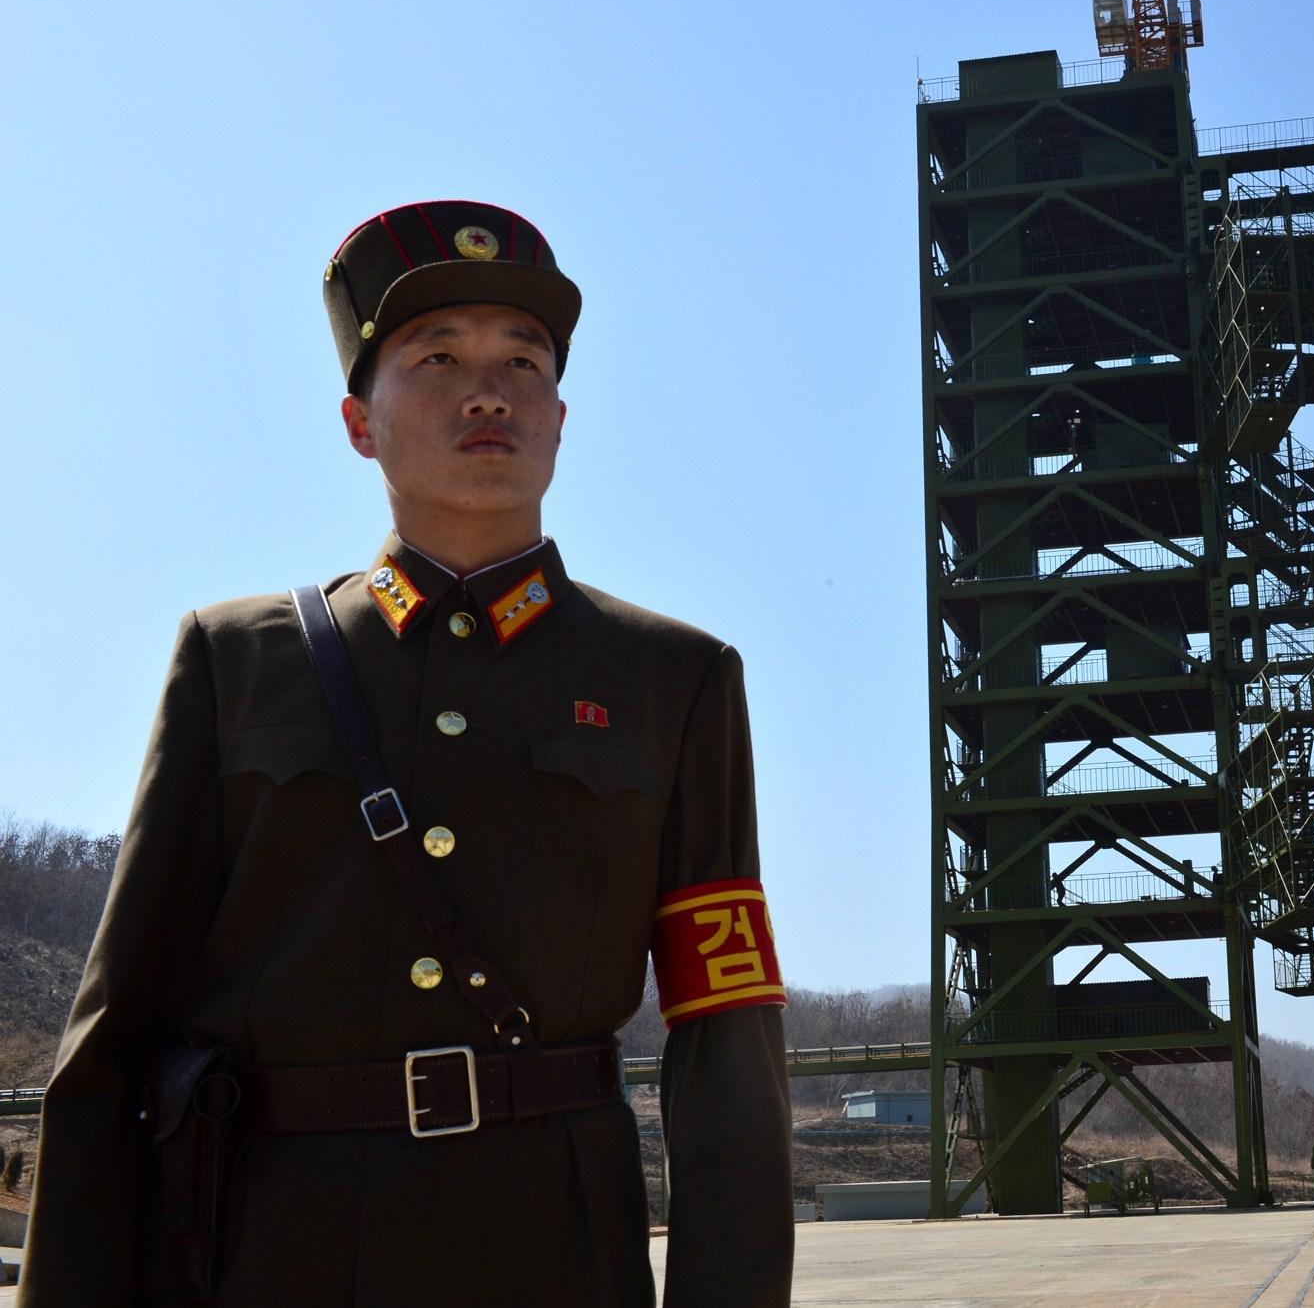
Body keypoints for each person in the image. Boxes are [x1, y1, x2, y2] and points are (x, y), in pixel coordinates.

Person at [20, 201, 794, 1307]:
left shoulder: (674, 679)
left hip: (556, 1251)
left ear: (562, 419)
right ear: (358, 420)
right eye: (437, 357)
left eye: (521, 360)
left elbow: (726, 1035)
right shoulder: (236, 661)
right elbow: (112, 1033)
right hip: (269, 1250)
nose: (488, 389)